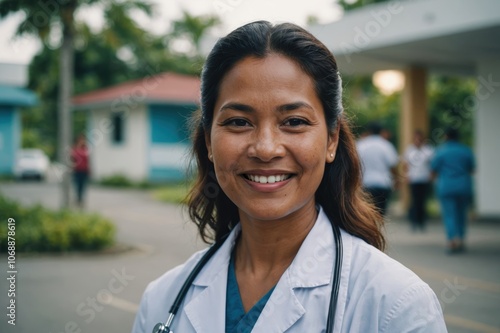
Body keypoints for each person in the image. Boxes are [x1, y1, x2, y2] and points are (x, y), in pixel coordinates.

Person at [132, 21, 446, 332]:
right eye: (239, 122)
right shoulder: (162, 300)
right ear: (208, 142)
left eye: (294, 121)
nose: (266, 149)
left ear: (332, 139)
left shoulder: (397, 306)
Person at [431, 128, 475, 254]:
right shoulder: (466, 150)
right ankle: (461, 239)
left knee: (450, 215)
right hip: (463, 186)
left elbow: (433, 170)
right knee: (462, 214)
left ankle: (452, 241)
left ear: (446, 137)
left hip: (447, 187)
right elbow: (472, 169)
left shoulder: (441, 151)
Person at [356, 122, 399, 217]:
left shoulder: (360, 145)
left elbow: (355, 165)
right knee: (380, 214)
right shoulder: (386, 145)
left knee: (367, 215)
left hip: (365, 184)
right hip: (383, 184)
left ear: (369, 131)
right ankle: (377, 231)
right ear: (381, 131)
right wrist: (396, 180)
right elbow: (393, 165)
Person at [403, 130, 434, 232]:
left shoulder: (428, 150)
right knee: (415, 201)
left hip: (424, 179)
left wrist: (431, 175)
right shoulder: (410, 150)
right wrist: (406, 176)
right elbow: (406, 165)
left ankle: (422, 221)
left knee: (422, 201)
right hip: (414, 179)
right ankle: (414, 221)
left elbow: (432, 165)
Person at [70, 134, 90, 208]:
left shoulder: (85, 148)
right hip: (77, 170)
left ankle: (81, 199)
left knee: (83, 186)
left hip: (84, 170)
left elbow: (88, 160)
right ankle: (78, 199)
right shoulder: (74, 148)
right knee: (77, 185)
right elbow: (72, 159)